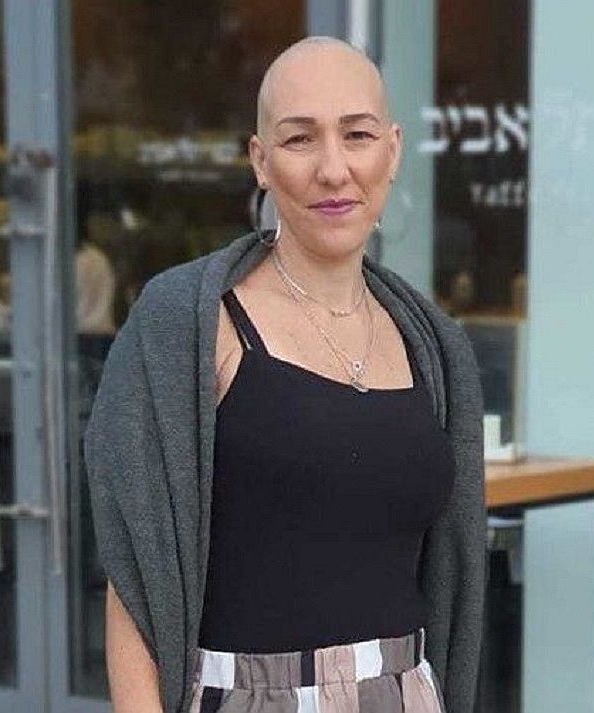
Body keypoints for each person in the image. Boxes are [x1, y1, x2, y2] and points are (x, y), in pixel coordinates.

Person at [85, 36, 487, 713]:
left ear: (392, 151)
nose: (333, 169)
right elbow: (133, 574)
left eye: (357, 135)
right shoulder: (189, 322)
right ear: (260, 160)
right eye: (300, 139)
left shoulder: (434, 346)